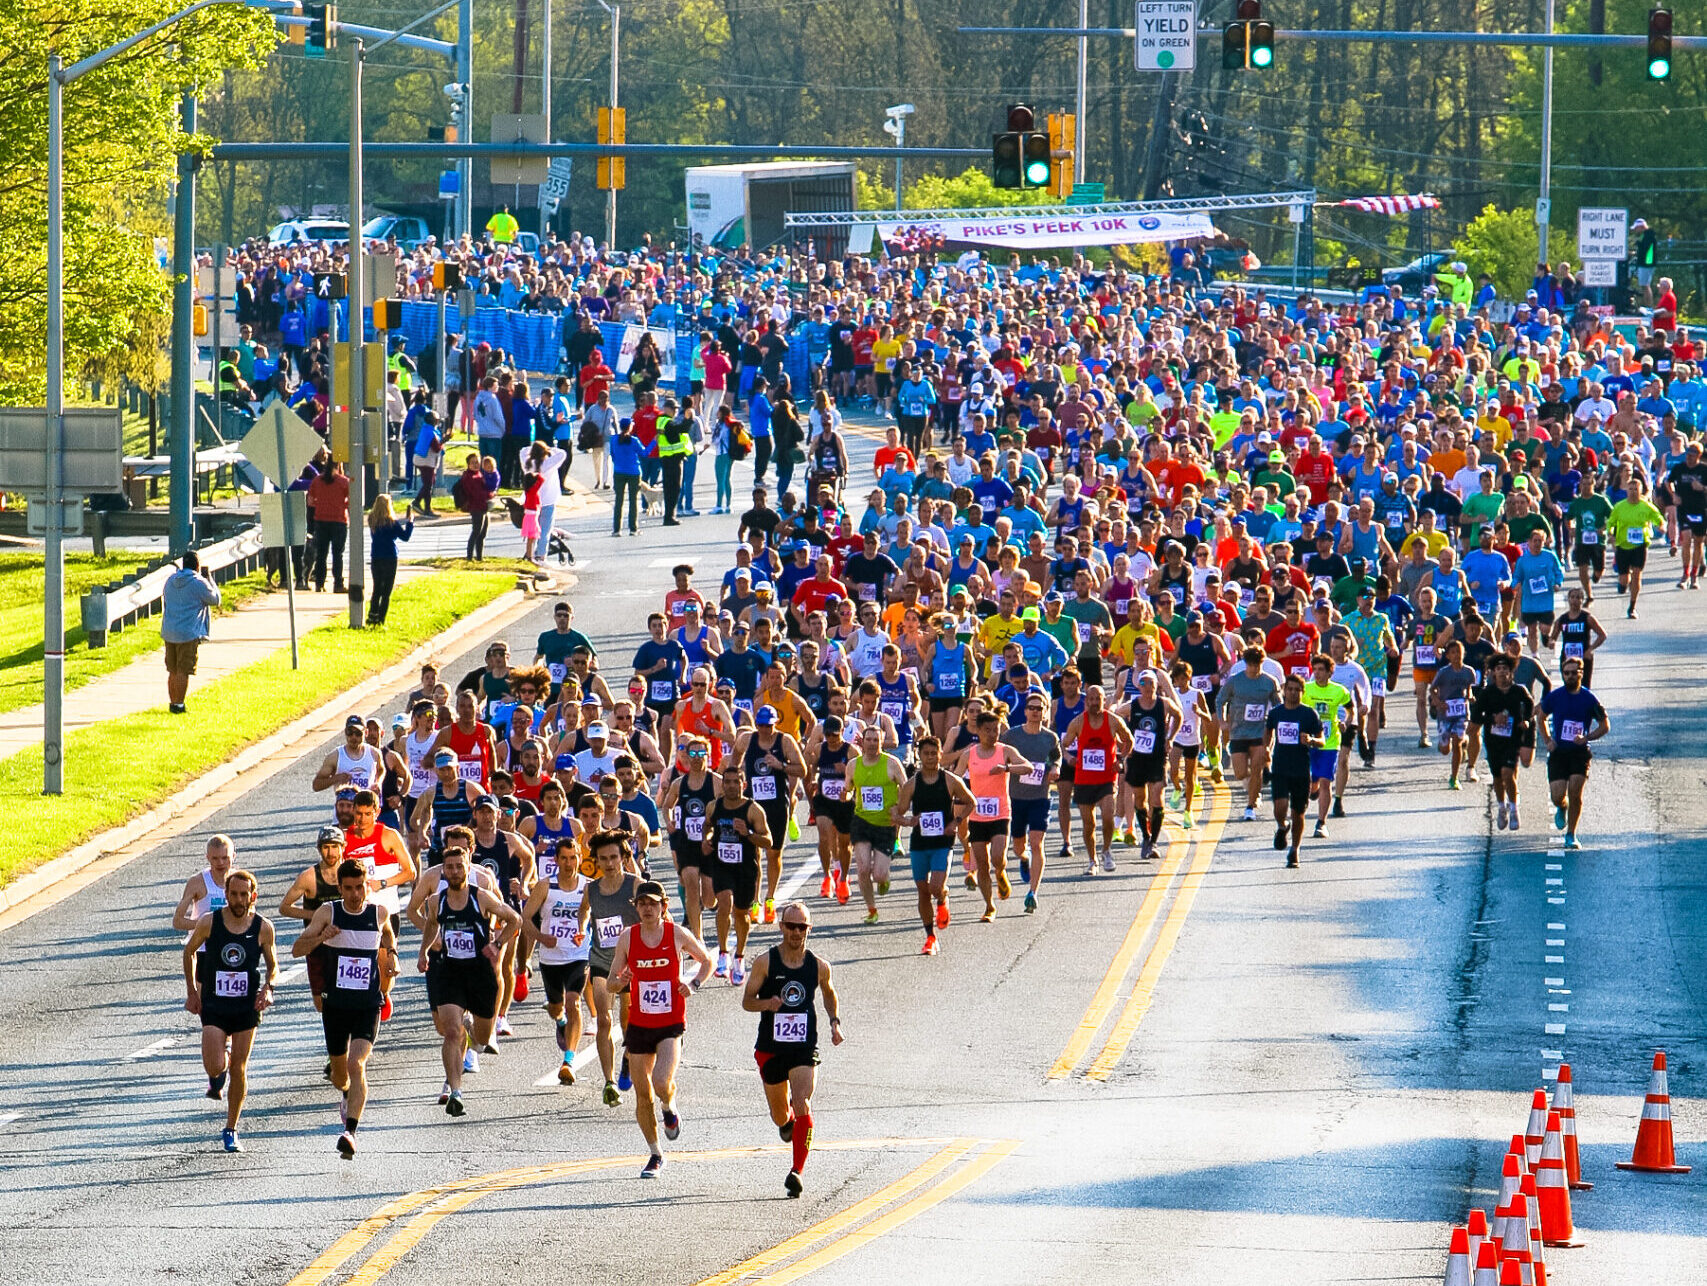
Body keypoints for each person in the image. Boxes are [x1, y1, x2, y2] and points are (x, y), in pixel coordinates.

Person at [606, 880, 716, 1178]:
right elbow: (611, 984)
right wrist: (623, 979)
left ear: (663, 906)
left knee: (660, 1081)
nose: (647, 909)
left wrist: (692, 983)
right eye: (642, 904)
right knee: (642, 1095)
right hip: (640, 1024)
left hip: (670, 1023)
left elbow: (707, 960)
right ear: (636, 908)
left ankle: (669, 1106)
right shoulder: (628, 938)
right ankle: (655, 1154)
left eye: (653, 903)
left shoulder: (676, 933)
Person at [292, 858, 399, 1159]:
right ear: (339, 888)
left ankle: (350, 1132)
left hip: (367, 1004)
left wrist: (391, 955)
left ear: (368, 886)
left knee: (358, 1063)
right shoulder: (329, 912)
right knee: (341, 1075)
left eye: (360, 887)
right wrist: (320, 937)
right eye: (349, 888)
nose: (355, 894)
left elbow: (388, 933)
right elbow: (297, 949)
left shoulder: (378, 912)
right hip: (336, 1004)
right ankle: (345, 1093)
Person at [741, 901, 845, 1197]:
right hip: (771, 1048)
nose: (796, 932)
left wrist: (834, 1022)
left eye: (802, 927)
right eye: (791, 926)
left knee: (802, 1102)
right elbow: (747, 1001)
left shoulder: (819, 966)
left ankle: (797, 1171)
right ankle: (786, 1124)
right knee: (780, 1115)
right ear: (781, 927)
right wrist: (767, 1004)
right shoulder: (766, 962)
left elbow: (829, 993)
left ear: (809, 929)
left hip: (803, 1046)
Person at [417, 844, 522, 1116]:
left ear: (467, 868)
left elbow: (515, 920)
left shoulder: (481, 897)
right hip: (449, 971)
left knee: (483, 1038)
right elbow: (430, 925)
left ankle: (472, 1029)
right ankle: (456, 1092)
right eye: (449, 867)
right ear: (443, 871)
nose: (454, 871)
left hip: (479, 972)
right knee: (451, 1031)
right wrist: (424, 952)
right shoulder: (436, 901)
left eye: (458, 866)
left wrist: (497, 944)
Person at [182, 867, 277, 1152]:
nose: (237, 899)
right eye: (233, 894)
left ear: (253, 896)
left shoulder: (263, 927)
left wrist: (268, 988)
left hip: (247, 1006)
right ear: (225, 894)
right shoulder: (209, 922)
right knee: (215, 1066)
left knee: (239, 1067)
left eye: (243, 895)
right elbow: (189, 953)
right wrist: (191, 992)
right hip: (214, 1002)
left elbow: (273, 966)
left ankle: (231, 1128)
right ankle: (218, 1063)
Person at [895, 735, 973, 953]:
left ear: (940, 755)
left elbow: (971, 802)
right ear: (919, 756)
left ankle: (943, 896)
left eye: (933, 753)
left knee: (935, 887)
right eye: (925, 754)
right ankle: (930, 937)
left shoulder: (950, 781)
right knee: (922, 891)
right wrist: (908, 821)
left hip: (943, 842)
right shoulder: (912, 784)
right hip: (920, 843)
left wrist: (956, 822)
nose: (930, 758)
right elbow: (898, 813)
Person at [701, 762, 771, 984]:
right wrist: (707, 840)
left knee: (741, 914)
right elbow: (708, 826)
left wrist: (748, 832)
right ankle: (722, 953)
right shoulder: (714, 806)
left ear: (744, 784)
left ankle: (739, 956)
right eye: (727, 782)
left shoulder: (753, 810)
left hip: (745, 869)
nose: (731, 786)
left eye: (735, 782)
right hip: (722, 865)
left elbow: (768, 841)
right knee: (724, 902)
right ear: (722, 785)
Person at [1539, 656, 1609, 850]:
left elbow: (1605, 725)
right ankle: (1562, 807)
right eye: (1566, 673)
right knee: (1557, 795)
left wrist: (1587, 738)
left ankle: (1571, 834)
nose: (1569, 676)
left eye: (1573, 673)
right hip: (1559, 752)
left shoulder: (1589, 698)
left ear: (1581, 673)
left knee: (1576, 792)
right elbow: (1541, 716)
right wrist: (1547, 740)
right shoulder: (1556, 696)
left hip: (1579, 753)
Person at [1061, 685, 1132, 874]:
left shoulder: (1113, 721)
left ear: (1104, 700)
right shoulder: (1078, 722)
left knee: (1108, 816)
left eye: (1097, 699)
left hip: (1107, 778)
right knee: (1089, 824)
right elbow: (1064, 744)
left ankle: (1106, 850)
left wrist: (1121, 759)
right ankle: (1092, 860)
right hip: (1084, 779)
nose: (1094, 703)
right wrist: (1068, 757)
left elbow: (1129, 740)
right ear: (1086, 702)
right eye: (1090, 699)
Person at [1002, 692, 1062, 910]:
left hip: (1040, 798)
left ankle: (1032, 893)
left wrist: (1055, 768)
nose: (1036, 712)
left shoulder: (1050, 738)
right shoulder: (1011, 736)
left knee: (1037, 842)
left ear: (1045, 712)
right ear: (1026, 711)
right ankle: (1023, 858)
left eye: (1040, 708)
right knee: (1019, 845)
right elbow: (1000, 756)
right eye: (1032, 708)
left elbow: (1056, 758)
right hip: (1015, 798)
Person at [845, 721, 907, 924]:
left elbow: (906, 789)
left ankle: (884, 879)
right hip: (861, 821)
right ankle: (872, 910)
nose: (872, 744)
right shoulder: (853, 765)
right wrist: (843, 795)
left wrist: (899, 809)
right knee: (862, 869)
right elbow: (848, 790)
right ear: (862, 742)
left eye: (876, 740)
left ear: (882, 742)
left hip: (885, 824)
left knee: (879, 875)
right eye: (868, 740)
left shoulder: (891, 763)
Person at [1264, 673, 1325, 868]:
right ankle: (1282, 827)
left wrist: (1311, 741)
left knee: (1298, 813)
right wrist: (1266, 759)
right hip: (1280, 767)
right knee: (1280, 807)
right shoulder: (1276, 713)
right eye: (1289, 689)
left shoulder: (1309, 714)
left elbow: (1321, 740)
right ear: (1284, 691)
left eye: (1297, 690)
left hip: (1301, 769)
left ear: (1302, 692)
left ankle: (1295, 850)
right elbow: (1267, 737)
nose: (1292, 693)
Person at [1469, 653, 1536, 831]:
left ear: (1511, 672)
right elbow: (1477, 715)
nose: (1501, 672)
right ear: (1493, 673)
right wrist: (1492, 719)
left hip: (1512, 739)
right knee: (1498, 777)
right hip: (1493, 740)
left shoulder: (1519, 691)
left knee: (1508, 773)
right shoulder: (1487, 693)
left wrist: (1526, 720)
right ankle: (1501, 807)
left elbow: (1529, 705)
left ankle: (1514, 808)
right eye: (1498, 669)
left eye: (1505, 669)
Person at [161, 550, 221, 714]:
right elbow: (215, 599)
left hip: (169, 630)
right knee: (183, 670)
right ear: (197, 565)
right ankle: (179, 705)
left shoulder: (171, 580)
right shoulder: (198, 582)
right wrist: (209, 579)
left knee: (172, 670)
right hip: (187, 632)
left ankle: (173, 703)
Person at [365, 494, 413, 626]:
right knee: (386, 591)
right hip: (390, 556)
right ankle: (381, 619)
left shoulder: (372, 520)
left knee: (377, 588)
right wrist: (410, 522)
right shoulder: (392, 522)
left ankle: (372, 615)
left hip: (376, 555)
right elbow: (405, 537)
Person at [610, 416, 645, 536]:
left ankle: (616, 529)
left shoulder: (614, 439)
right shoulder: (634, 440)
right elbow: (644, 452)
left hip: (619, 471)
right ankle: (633, 528)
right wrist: (654, 442)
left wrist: (618, 463)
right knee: (633, 500)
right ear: (630, 427)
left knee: (618, 500)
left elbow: (613, 454)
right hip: (634, 472)